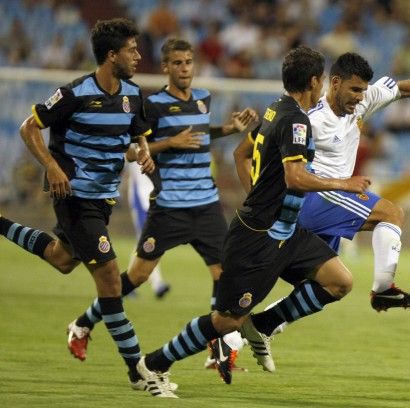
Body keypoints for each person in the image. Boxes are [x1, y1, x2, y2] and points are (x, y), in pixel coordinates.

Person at [134, 45, 372, 397]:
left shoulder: (276, 109)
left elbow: (243, 154)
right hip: (257, 238)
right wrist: (344, 183)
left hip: (286, 231)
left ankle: (263, 323)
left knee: (339, 281)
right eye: (321, 80)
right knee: (225, 321)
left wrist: (259, 194)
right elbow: (295, 178)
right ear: (314, 81)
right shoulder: (295, 120)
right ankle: (152, 364)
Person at [65, 38, 257, 376]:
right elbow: (134, 149)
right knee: (137, 277)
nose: (184, 68)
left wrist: (229, 128)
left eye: (189, 62)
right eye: (178, 63)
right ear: (166, 67)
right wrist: (169, 143)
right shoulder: (151, 105)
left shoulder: (202, 99)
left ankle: (216, 350)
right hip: (170, 208)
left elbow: (198, 134)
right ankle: (82, 323)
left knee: (224, 277)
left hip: (207, 205)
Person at [0, 18, 164, 396]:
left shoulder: (134, 96)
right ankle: (138, 371)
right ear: (111, 56)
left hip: (103, 199)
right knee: (109, 279)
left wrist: (143, 153)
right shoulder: (73, 94)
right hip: (75, 198)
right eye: (132, 50)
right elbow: (29, 127)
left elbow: (135, 132)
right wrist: (53, 166)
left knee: (62, 258)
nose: (139, 56)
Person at [235, 52, 410, 314]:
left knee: (325, 286)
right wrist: (259, 197)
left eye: (363, 90)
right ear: (335, 82)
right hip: (312, 199)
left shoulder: (363, 100)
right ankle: (384, 289)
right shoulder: (308, 118)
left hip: (329, 203)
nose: (360, 97)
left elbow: (400, 89)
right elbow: (249, 151)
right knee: (391, 213)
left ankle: (256, 329)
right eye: (354, 89)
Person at [127, 160, 170, 299]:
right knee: (147, 240)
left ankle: (127, 284)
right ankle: (157, 284)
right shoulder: (135, 143)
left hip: (155, 198)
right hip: (140, 198)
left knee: (146, 241)